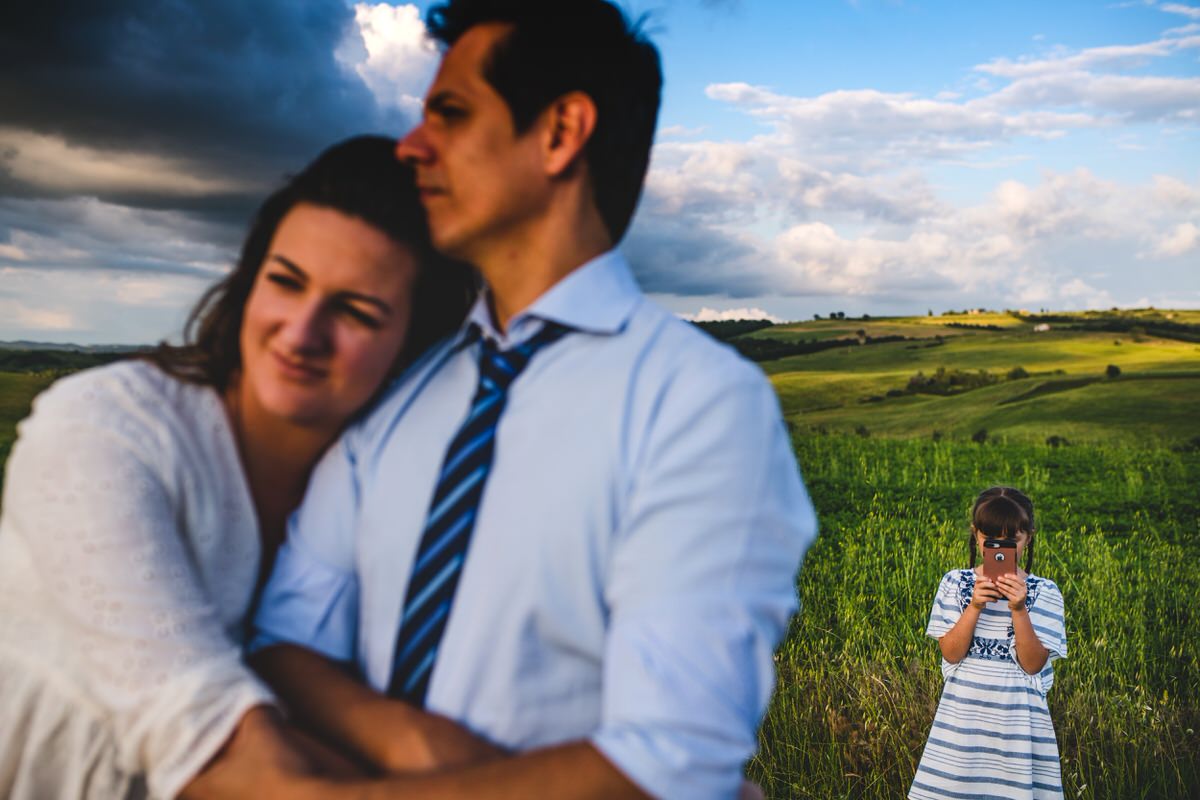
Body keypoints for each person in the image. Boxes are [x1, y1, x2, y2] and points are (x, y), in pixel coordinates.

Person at [250, 1, 818, 798]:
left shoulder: (701, 404)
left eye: (450, 113)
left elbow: (670, 762)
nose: (411, 146)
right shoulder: (399, 392)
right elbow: (284, 641)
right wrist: (415, 742)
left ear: (560, 133)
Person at [0, 136, 474, 799]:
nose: (301, 334)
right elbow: (228, 761)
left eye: (356, 312)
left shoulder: (391, 488)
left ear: (413, 348)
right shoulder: (101, 430)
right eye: (285, 281)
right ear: (248, 281)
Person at [909, 487, 1067, 800]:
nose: (1000, 548)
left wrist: (1019, 609)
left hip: (1018, 730)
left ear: (1028, 538)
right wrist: (975, 606)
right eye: (990, 539)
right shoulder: (955, 582)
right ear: (976, 535)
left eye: (1012, 540)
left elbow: (1033, 664)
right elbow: (951, 653)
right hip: (961, 728)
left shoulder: (1045, 591)